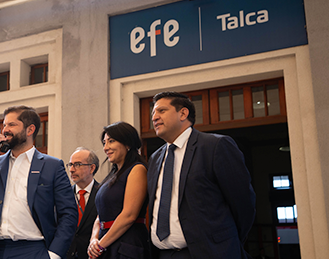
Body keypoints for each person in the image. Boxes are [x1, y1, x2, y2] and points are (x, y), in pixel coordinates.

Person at [147, 91, 256, 259]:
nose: (154, 117)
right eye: (153, 113)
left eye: (161, 111)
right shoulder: (155, 158)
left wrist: (227, 242)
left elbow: (243, 203)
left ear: (183, 113)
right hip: (164, 254)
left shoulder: (215, 146)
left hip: (211, 252)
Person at [0, 105, 78, 259]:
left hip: (33, 249)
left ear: (30, 130)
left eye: (12, 125)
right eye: (4, 124)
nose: (5, 129)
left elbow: (68, 213)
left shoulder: (52, 166)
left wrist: (54, 254)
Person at [88, 121, 151, 259]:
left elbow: (129, 215)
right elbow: (100, 215)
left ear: (128, 144)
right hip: (105, 242)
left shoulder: (137, 169)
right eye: (104, 143)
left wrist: (100, 245)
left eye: (111, 141)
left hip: (127, 243)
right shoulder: (113, 175)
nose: (106, 147)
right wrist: (94, 240)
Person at [66, 147, 100, 259]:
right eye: (70, 164)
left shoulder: (103, 194)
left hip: (93, 255)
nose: (71, 169)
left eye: (77, 164)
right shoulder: (64, 195)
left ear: (92, 168)